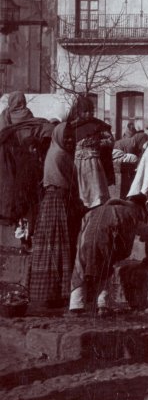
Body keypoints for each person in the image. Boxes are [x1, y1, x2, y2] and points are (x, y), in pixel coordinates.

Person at [29, 123, 84, 310]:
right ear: (58, 137)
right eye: (66, 137)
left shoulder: (57, 153)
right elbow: (71, 183)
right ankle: (57, 292)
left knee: (52, 247)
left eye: (71, 136)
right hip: (59, 202)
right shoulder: (60, 155)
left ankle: (50, 293)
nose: (69, 140)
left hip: (54, 202)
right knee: (59, 246)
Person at [69, 194, 148, 315]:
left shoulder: (96, 210)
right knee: (105, 270)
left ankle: (76, 304)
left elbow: (83, 226)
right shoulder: (131, 212)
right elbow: (142, 232)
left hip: (85, 241)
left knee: (80, 268)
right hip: (104, 240)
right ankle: (103, 305)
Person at [68, 94, 114, 209]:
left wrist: (99, 143)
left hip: (94, 164)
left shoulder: (98, 125)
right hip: (78, 165)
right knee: (81, 193)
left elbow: (110, 140)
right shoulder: (72, 127)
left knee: (96, 193)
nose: (88, 114)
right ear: (78, 112)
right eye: (85, 111)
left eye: (91, 111)